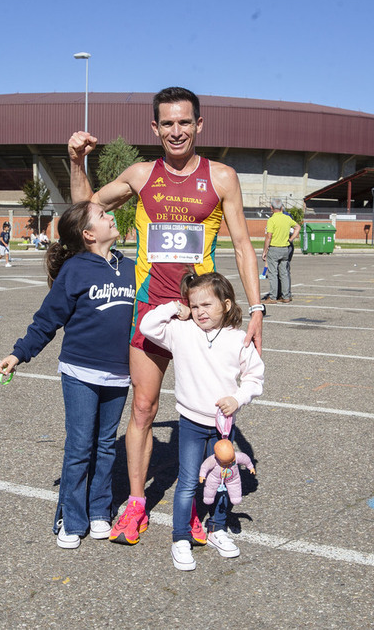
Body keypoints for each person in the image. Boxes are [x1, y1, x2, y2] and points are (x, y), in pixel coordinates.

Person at [67, 86, 264, 545]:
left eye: (185, 122)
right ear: (155, 128)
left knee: (201, 416)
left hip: (202, 321)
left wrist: (256, 310)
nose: (177, 131)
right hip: (150, 311)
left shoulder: (222, 177)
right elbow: (85, 211)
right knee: (142, 408)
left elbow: (241, 245)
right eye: (167, 124)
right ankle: (136, 502)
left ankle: (193, 506)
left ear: (199, 125)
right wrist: (77, 163)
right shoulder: (139, 174)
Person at [0, 201, 135, 549]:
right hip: (80, 370)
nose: (111, 217)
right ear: (89, 234)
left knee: (106, 446)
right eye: (103, 216)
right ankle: (72, 519)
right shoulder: (75, 270)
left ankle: (100, 511)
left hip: (118, 374)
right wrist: (18, 353)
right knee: (79, 447)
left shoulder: (131, 267)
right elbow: (47, 320)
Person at [139, 272, 264, 570]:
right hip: (191, 423)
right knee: (186, 482)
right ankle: (180, 537)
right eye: (194, 306)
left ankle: (217, 528)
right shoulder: (182, 332)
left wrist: (238, 398)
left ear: (226, 304)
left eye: (207, 305)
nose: (200, 312)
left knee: (222, 480)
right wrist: (173, 308)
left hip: (223, 425)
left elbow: (255, 377)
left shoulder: (238, 340)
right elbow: (147, 325)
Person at [260, 198, 300, 304]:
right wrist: (291, 239)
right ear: (282, 207)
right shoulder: (287, 218)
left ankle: (273, 297)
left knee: (273, 273)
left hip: (274, 248)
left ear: (271, 208)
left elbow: (269, 236)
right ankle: (286, 296)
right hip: (285, 249)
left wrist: (265, 250)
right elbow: (298, 227)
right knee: (284, 273)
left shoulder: (272, 220)